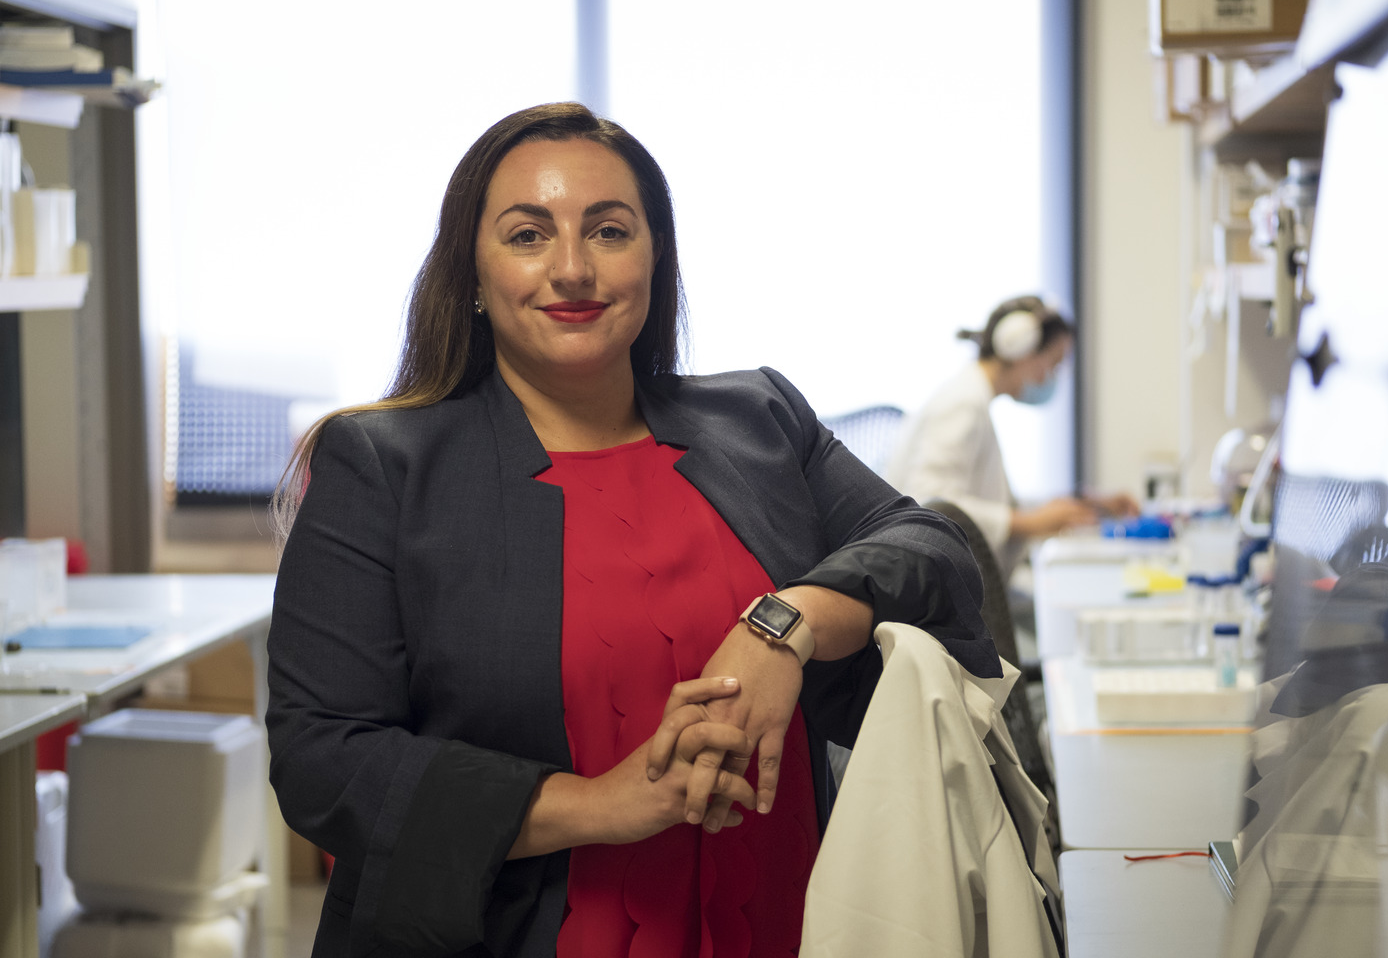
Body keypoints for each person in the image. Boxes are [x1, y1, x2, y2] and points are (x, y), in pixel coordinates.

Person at [266, 102, 998, 958]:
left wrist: (781, 627)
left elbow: (935, 552)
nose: (572, 268)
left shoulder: (757, 416)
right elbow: (324, 758)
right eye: (528, 235)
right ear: (471, 269)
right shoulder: (381, 464)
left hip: (788, 923)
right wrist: (607, 804)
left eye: (609, 232)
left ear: (656, 258)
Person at [885, 295, 1138, 578]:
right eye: (1053, 364)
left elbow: (989, 501)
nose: (1050, 378)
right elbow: (929, 503)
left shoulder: (973, 396)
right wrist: (1029, 522)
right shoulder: (963, 403)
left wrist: (1080, 505)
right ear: (1020, 349)